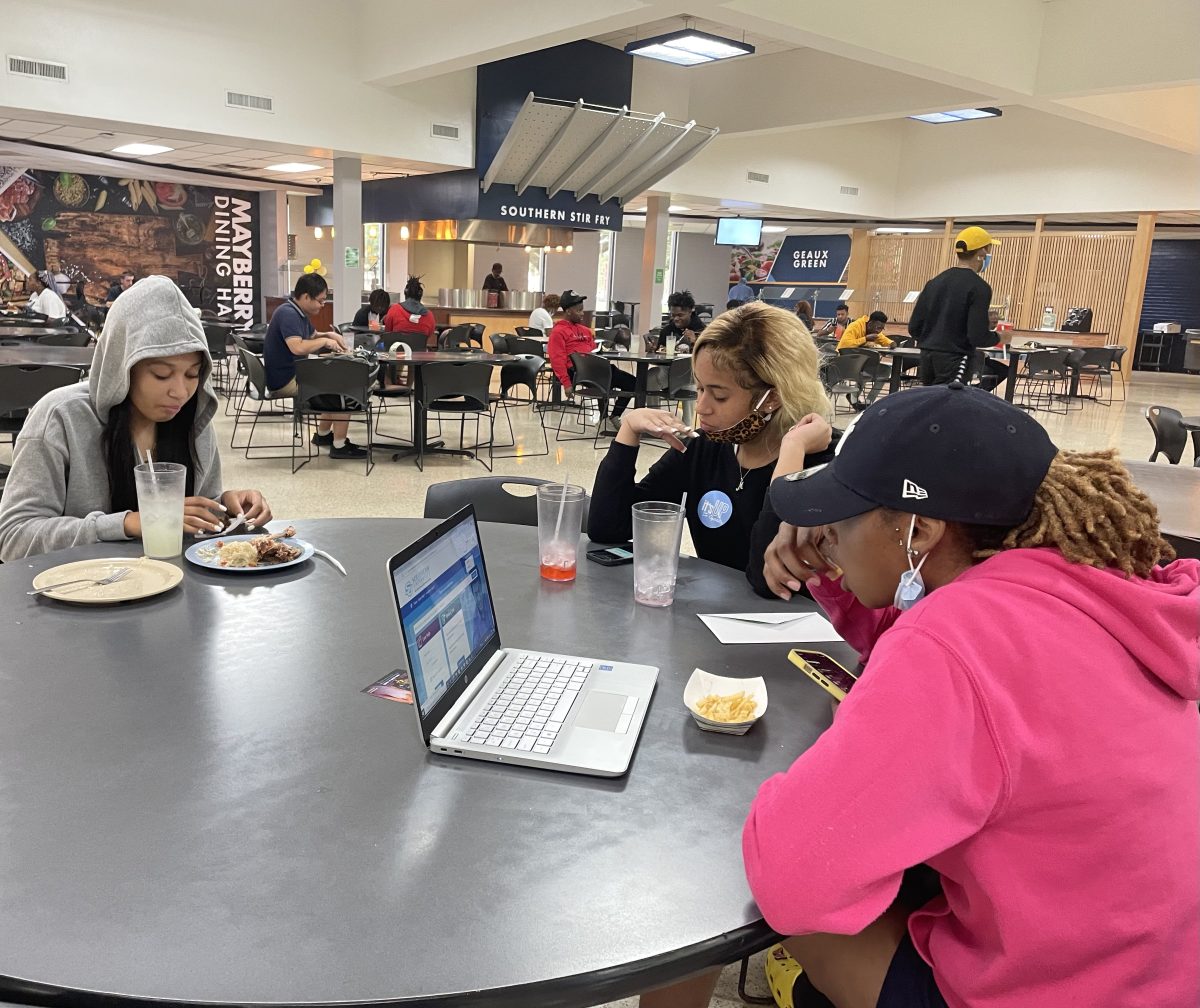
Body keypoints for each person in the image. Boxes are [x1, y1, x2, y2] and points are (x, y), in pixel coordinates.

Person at [654, 383, 1199, 1008]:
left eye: (846, 513)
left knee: (780, 884)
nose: (823, 528)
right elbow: (936, 638)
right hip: (1155, 970)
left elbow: (793, 878)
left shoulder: (958, 640)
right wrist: (837, 571)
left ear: (920, 531)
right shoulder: (1078, 585)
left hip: (1051, 987)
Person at [0, 276, 272, 561]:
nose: (180, 392)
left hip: (173, 593)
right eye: (161, 374)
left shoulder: (192, 420)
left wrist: (223, 508)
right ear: (123, 366)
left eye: (193, 374)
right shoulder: (61, 418)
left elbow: (193, 526)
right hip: (78, 598)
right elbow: (14, 537)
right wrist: (129, 523)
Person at [588, 302, 835, 574]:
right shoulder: (706, 446)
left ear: (772, 397)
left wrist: (793, 450)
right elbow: (608, 528)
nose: (702, 407)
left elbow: (766, 578)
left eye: (719, 395)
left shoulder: (826, 461)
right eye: (700, 388)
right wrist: (628, 432)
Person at [263, 273, 365, 460]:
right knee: (346, 388)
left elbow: (311, 336)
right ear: (306, 297)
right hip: (285, 380)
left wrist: (330, 335)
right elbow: (297, 346)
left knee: (331, 380)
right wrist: (325, 342)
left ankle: (324, 436)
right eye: (320, 301)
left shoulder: (297, 312)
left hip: (290, 374)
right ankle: (340, 446)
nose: (322, 305)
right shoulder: (288, 314)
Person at [909, 225, 999, 385]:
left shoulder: (934, 282)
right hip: (956, 358)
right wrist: (999, 337)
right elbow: (977, 336)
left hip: (927, 356)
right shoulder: (979, 287)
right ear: (981, 252)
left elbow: (914, 327)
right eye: (989, 250)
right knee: (949, 406)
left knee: (931, 403)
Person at [546, 289, 636, 432]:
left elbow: (593, 350)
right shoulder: (558, 332)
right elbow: (557, 359)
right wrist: (566, 383)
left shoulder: (586, 331)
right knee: (603, 379)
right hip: (577, 372)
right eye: (579, 310)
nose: (582, 314)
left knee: (633, 383)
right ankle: (603, 419)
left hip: (598, 367)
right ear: (568, 311)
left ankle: (614, 416)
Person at [383, 275, 436, 347]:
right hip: (419, 356)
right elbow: (428, 335)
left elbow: (388, 333)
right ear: (421, 295)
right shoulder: (429, 316)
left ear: (405, 293)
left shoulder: (394, 310)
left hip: (397, 355)